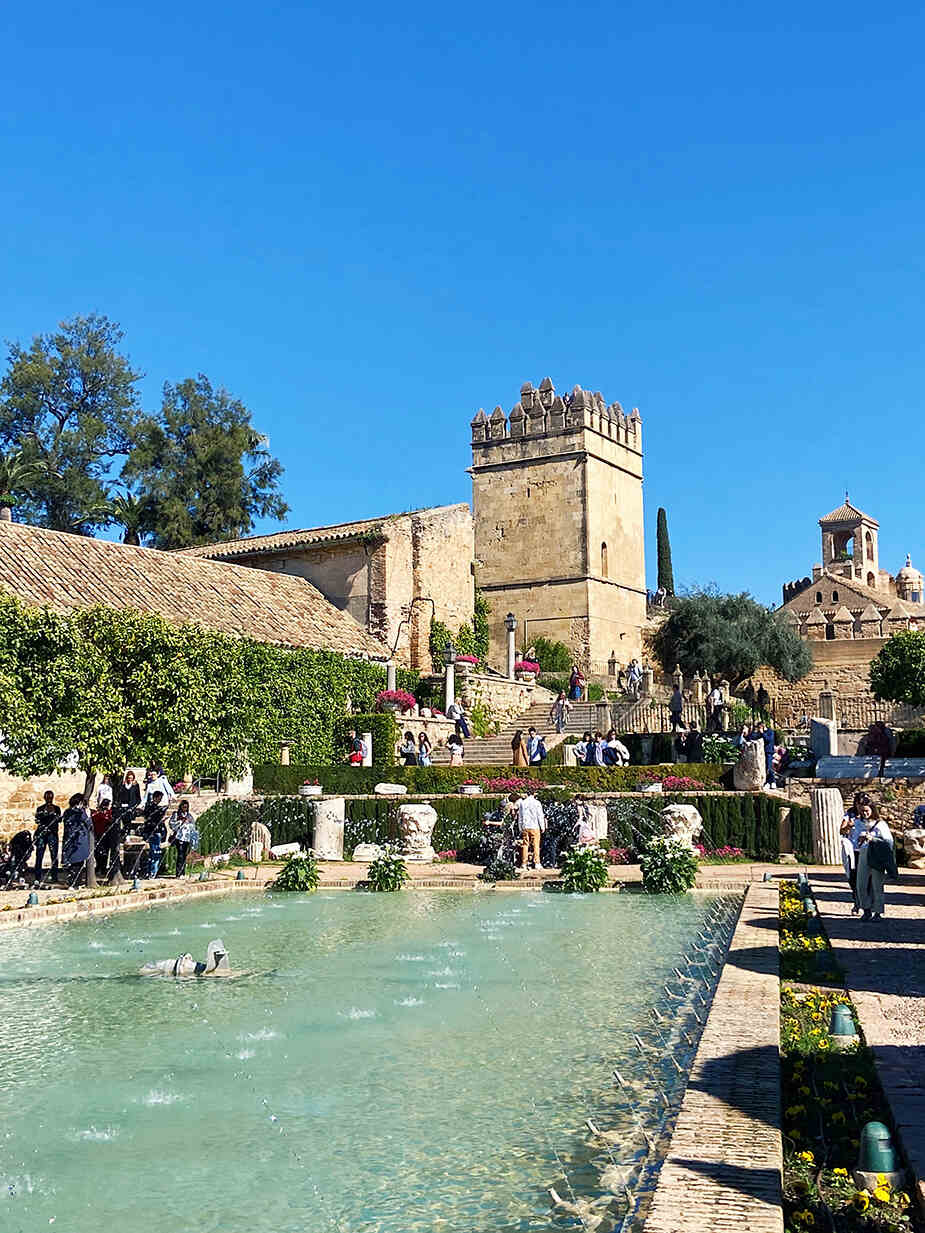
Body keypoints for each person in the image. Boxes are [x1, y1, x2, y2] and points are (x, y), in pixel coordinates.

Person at [856, 806, 896, 921]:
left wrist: (872, 838)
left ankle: (878, 912)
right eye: (863, 811)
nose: (865, 813)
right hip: (863, 853)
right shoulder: (858, 823)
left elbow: (888, 842)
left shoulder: (880, 824)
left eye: (867, 811)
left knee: (877, 885)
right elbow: (854, 840)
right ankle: (866, 909)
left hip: (877, 855)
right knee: (861, 884)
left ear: (872, 810)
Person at [61, 794, 93, 887]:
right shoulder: (81, 812)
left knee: (73, 864)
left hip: (71, 841)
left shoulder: (67, 812)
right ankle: (75, 883)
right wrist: (88, 815)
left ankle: (72, 882)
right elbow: (89, 824)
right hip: (79, 842)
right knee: (78, 864)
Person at [33, 790, 61, 885]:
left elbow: (58, 819)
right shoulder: (40, 808)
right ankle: (37, 876)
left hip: (52, 834)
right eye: (47, 797)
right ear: (44, 798)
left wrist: (54, 816)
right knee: (39, 855)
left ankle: (54, 876)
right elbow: (37, 820)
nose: (49, 799)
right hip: (42, 834)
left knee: (54, 855)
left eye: (50, 797)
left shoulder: (56, 808)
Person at [141, 790, 168, 879]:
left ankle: (150, 872)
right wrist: (162, 818)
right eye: (159, 798)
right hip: (154, 832)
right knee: (155, 852)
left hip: (153, 831)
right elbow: (152, 818)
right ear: (156, 797)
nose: (160, 800)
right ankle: (152, 873)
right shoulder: (152, 807)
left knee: (154, 852)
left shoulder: (152, 807)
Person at [169, 799, 199, 878]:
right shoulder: (176, 814)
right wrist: (180, 822)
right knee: (180, 855)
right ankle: (178, 873)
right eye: (183, 806)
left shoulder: (189, 815)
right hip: (179, 838)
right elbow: (172, 825)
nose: (185, 808)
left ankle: (183, 872)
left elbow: (193, 826)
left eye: (186, 807)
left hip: (187, 838)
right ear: (181, 807)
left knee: (184, 855)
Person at [516, 791, 546, 870]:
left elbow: (520, 816)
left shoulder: (523, 803)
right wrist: (542, 826)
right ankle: (537, 862)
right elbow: (540, 815)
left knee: (525, 845)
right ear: (534, 793)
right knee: (536, 845)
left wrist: (520, 826)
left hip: (525, 826)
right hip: (535, 826)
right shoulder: (537, 803)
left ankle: (524, 863)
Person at [91, 798, 114, 878]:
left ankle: (103, 868)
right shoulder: (98, 813)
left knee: (105, 853)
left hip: (107, 835)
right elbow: (94, 819)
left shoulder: (110, 813)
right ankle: (98, 866)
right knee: (97, 853)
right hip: (98, 835)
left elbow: (111, 820)